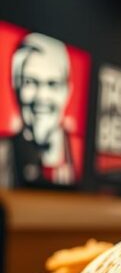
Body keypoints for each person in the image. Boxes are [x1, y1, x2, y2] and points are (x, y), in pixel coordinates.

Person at [9, 33, 76, 186]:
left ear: (67, 91)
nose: (42, 97)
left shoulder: (78, 156)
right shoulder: (3, 155)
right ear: (15, 87)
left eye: (53, 84)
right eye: (30, 82)